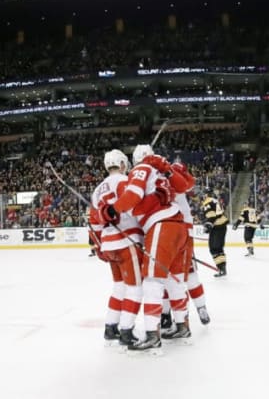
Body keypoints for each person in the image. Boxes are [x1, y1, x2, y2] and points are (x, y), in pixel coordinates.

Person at [98, 144, 191, 352]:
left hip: (161, 225)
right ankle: (182, 326)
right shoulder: (161, 172)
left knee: (151, 281)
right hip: (179, 226)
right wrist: (167, 169)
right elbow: (185, 186)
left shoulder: (142, 169)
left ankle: (152, 335)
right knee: (172, 279)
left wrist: (112, 210)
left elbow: (132, 196)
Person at [90, 149, 144, 347]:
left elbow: (94, 222)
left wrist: (99, 246)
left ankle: (110, 326)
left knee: (119, 286)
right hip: (126, 241)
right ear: (122, 164)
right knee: (135, 288)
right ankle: (127, 330)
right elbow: (133, 207)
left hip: (109, 244)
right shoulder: (123, 181)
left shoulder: (97, 189)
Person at [161, 161, 210, 333]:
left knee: (166, 278)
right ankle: (200, 307)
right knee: (189, 275)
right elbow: (189, 182)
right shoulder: (178, 180)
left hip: (167, 232)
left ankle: (168, 316)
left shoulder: (159, 179)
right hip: (185, 233)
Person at [201, 187, 229, 277]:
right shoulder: (215, 200)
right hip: (222, 225)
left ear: (206, 194)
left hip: (217, 226)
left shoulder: (207, 201)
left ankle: (221, 268)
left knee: (214, 249)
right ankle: (222, 268)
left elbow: (212, 216)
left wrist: (208, 225)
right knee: (219, 248)